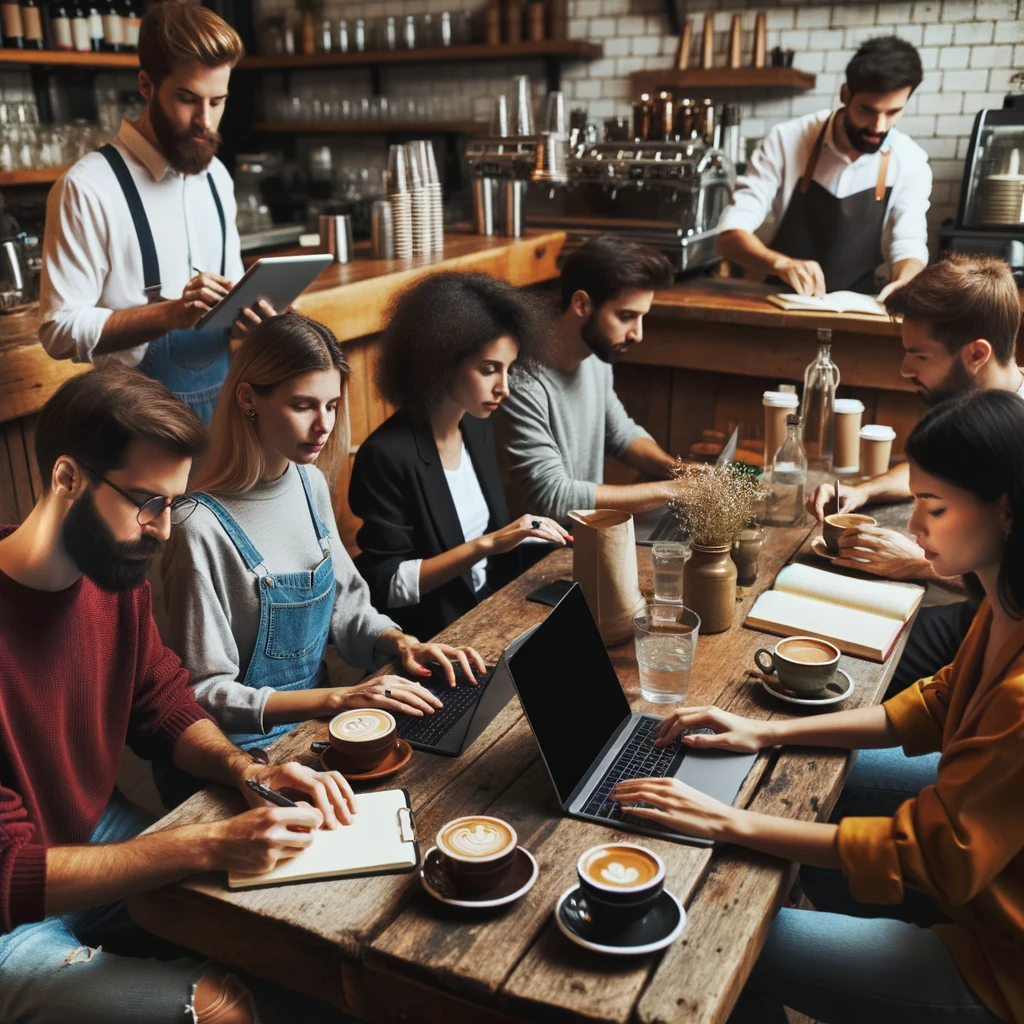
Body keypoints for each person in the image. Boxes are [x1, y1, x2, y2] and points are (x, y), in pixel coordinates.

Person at [613, 388, 1024, 1024]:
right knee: (828, 785)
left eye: (934, 508)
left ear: (1004, 511)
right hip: (977, 891)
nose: (913, 528)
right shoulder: (1004, 602)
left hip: (999, 962)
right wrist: (761, 733)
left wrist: (727, 824)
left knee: (709, 931)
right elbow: (939, 702)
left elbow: (930, 855)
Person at [0, 367, 359, 1024]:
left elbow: (162, 705)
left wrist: (246, 770)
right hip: (9, 913)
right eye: (148, 502)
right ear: (67, 479)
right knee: (225, 1009)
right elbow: (9, 874)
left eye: (172, 502)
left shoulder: (115, 575)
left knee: (302, 929)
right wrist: (208, 844)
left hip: (91, 834)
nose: (164, 529)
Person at [161, 313, 485, 774]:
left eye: (332, 405)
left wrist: (400, 643)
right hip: (239, 756)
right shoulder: (197, 527)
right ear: (248, 399)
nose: (324, 425)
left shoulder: (309, 482)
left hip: (323, 728)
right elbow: (205, 694)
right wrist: (338, 698)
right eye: (303, 406)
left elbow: (348, 610)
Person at [39, 2, 272, 423]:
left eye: (217, 101)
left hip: (225, 420)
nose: (205, 121)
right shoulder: (88, 186)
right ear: (146, 85)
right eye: (187, 99)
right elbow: (58, 331)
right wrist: (169, 314)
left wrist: (251, 316)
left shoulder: (217, 176)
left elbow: (230, 296)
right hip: (136, 431)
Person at [806, 253, 1024, 694]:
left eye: (919, 355)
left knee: (839, 687)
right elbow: (941, 469)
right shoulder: (972, 409)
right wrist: (864, 491)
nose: (906, 370)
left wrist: (920, 564)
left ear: (976, 353)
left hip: (1001, 631)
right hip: (973, 615)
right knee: (825, 655)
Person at [348, 273, 570, 640]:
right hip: (434, 639)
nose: (504, 388)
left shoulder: (477, 426)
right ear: (440, 360)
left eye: (509, 369)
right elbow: (385, 584)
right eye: (489, 370)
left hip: (491, 618)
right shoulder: (386, 456)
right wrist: (489, 543)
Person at [717, 36, 930, 299]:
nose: (879, 127)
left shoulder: (910, 159)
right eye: (867, 110)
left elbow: (909, 244)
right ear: (845, 94)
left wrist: (906, 281)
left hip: (858, 309)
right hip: (781, 302)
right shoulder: (787, 139)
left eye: (893, 112)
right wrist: (781, 264)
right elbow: (729, 235)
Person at [495, 236, 683, 522]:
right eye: (626, 316)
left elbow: (620, 434)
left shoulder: (596, 357)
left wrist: (680, 471)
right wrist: (674, 491)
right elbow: (553, 497)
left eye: (642, 317)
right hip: (537, 555)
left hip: (586, 535)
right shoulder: (519, 383)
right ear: (581, 304)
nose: (637, 334)